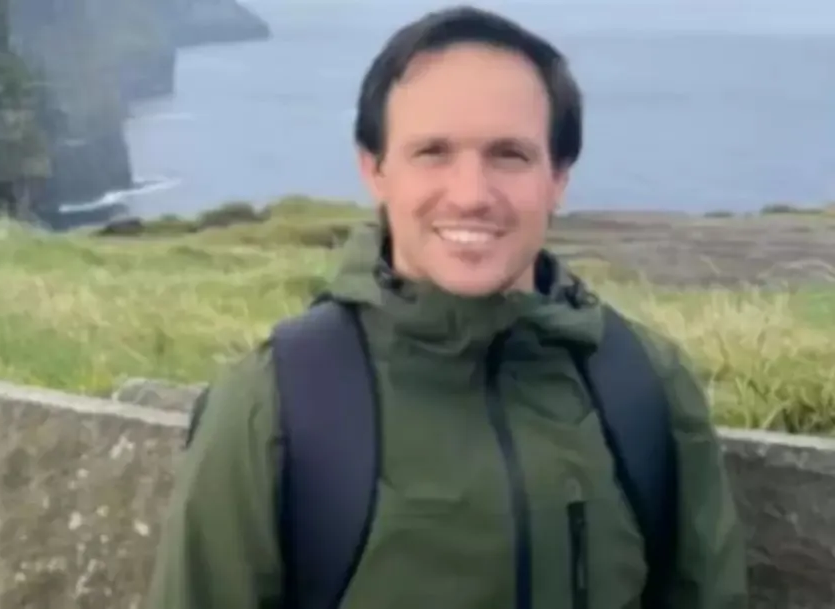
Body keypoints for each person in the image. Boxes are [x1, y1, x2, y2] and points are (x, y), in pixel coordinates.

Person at [146, 5, 748, 609]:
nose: (470, 195)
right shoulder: (273, 405)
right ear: (375, 170)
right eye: (432, 151)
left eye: (509, 154)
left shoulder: (645, 384)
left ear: (558, 177)